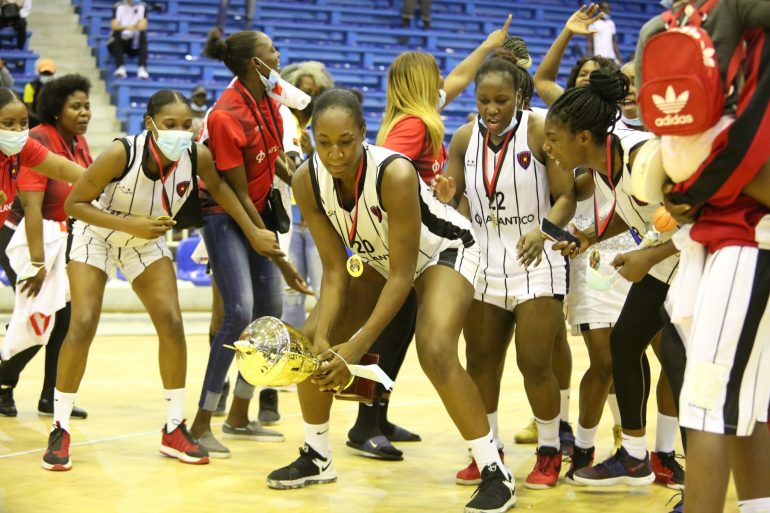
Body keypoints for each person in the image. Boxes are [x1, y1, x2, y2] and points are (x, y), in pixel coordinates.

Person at [266, 89, 516, 513]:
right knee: (311, 343)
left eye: (345, 141)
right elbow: (332, 269)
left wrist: (356, 347)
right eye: (324, 143)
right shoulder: (306, 179)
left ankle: (495, 471)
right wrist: (327, 336)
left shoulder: (393, 173)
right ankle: (317, 455)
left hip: (444, 250)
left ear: (363, 133)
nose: (335, 153)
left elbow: (403, 277)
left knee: (435, 350)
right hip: (380, 258)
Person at [41, 89, 291, 471]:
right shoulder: (120, 152)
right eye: (170, 125)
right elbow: (75, 204)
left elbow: (222, 190)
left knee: (172, 324)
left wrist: (254, 230)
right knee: (84, 322)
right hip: (98, 235)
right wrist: (131, 225)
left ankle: (174, 427)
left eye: (186, 125)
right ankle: (60, 427)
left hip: (146, 241)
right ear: (150, 124)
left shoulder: (197, 156)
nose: (180, 132)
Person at [433, 49, 576, 489]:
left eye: (500, 100)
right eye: (483, 101)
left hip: (537, 259)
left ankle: (550, 450)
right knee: (480, 362)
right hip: (484, 262)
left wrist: (545, 230)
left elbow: (567, 196)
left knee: (534, 362)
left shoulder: (540, 131)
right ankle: (486, 451)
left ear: (518, 94)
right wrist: (445, 197)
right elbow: (456, 203)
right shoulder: (461, 139)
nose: (491, 110)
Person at [542, 68, 681, 488]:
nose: (548, 147)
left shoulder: (644, 158)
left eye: (554, 138)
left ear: (583, 137)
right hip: (666, 262)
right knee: (624, 344)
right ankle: (635, 457)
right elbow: (632, 210)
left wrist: (648, 256)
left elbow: (702, 219)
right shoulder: (605, 164)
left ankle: (695, 475)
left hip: (700, 263)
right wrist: (589, 235)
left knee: (682, 364)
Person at [188, 29, 312, 459]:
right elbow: (235, 191)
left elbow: (273, 155)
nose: (279, 53)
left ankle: (240, 415)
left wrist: (296, 175)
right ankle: (200, 422)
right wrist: (264, 238)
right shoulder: (225, 115)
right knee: (237, 312)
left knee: (270, 313)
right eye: (271, 50)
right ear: (255, 63)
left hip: (256, 215)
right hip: (226, 218)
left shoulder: (267, 100)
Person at [0, 75, 92, 419]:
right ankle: (4, 381)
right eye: (8, 123)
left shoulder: (26, 146)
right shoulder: (38, 138)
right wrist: (36, 264)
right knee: (39, 314)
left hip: (59, 240)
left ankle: (51, 394)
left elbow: (68, 170)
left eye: (22, 122)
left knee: (61, 318)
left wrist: (113, 180)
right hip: (24, 239)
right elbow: (33, 210)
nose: (17, 129)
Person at [109, 0, 149, 80]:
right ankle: (120, 67)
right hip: (119, 42)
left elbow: (143, 26)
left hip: (133, 43)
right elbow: (114, 26)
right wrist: (129, 27)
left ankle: (142, 68)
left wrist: (127, 27)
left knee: (143, 35)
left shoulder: (143, 6)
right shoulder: (118, 6)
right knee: (116, 34)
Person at [24, 58, 55, 129]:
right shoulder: (30, 86)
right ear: (39, 72)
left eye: (49, 73)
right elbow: (28, 108)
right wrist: (39, 120)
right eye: (44, 73)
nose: (46, 75)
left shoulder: (57, 86)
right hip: (34, 120)